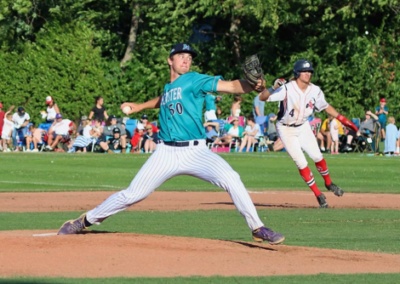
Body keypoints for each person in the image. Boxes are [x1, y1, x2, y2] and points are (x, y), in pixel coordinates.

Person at [57, 42, 285, 245]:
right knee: (132, 194)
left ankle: (257, 227)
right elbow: (162, 100)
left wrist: (252, 84)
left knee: (231, 178)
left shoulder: (195, 79)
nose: (186, 59)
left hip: (197, 151)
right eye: (181, 55)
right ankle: (84, 221)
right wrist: (139, 106)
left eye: (189, 56)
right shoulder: (169, 88)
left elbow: (232, 86)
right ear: (170, 60)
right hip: (165, 153)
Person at [258, 59, 358, 208]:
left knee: (318, 156)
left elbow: (325, 106)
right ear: (297, 73)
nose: (307, 74)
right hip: (286, 128)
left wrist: (342, 119)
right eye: (304, 71)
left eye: (309, 71)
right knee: (301, 162)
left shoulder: (315, 90)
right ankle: (318, 195)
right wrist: (273, 87)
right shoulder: (287, 88)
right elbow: (262, 97)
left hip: (303, 125)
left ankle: (329, 183)